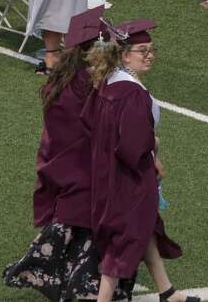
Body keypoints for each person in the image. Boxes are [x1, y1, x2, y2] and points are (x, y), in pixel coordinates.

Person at [83, 20, 196, 302]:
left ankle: (167, 291)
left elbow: (89, 122)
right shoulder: (132, 93)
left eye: (152, 49)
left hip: (107, 170)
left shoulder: (108, 83)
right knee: (126, 234)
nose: (149, 55)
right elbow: (133, 145)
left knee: (145, 228)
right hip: (128, 176)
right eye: (142, 50)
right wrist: (152, 148)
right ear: (124, 55)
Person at [3, 9, 109, 299]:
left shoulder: (65, 77)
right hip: (79, 159)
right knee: (80, 219)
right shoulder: (84, 84)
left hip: (61, 155)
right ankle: (46, 268)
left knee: (77, 220)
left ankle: (65, 271)